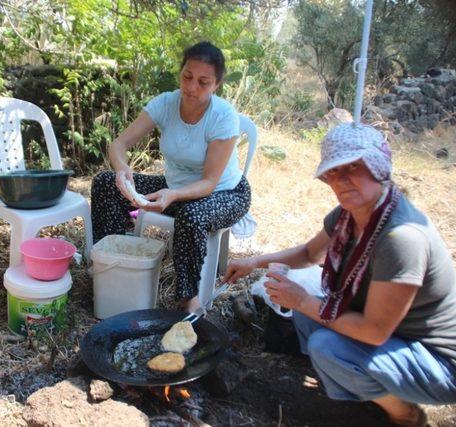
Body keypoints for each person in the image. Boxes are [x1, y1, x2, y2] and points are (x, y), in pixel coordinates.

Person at [223, 122, 456, 426]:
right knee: (308, 317)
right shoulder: (349, 216)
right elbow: (310, 254)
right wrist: (256, 262)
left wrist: (304, 300)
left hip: (437, 362)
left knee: (324, 344)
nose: (341, 180)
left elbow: (374, 331)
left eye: (353, 167)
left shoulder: (401, 239)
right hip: (397, 337)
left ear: (378, 166)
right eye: (333, 172)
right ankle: (356, 384)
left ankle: (405, 413)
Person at [91, 41, 251, 312]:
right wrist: (122, 168)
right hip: (174, 186)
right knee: (105, 183)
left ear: (217, 84)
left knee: (192, 215)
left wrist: (173, 194)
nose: (191, 88)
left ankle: (188, 298)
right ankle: (111, 265)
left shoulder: (223, 116)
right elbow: (118, 145)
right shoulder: (165, 103)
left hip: (223, 193)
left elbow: (209, 182)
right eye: (187, 77)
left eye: (203, 82)